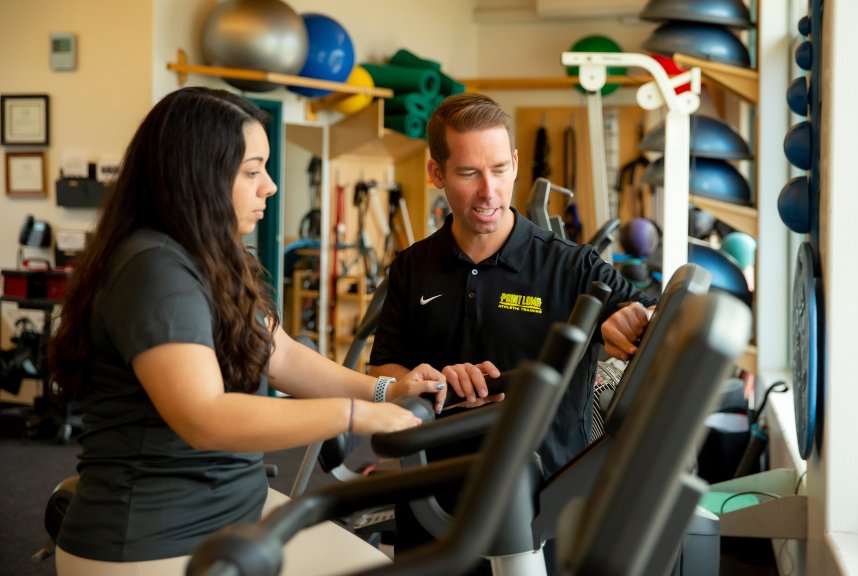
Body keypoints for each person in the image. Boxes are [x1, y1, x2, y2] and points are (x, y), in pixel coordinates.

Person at [47, 86, 446, 576]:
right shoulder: (155, 271)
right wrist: (353, 415)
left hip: (237, 513)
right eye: (253, 171)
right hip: (157, 541)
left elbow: (284, 358)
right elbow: (204, 415)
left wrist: (387, 391)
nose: (270, 186)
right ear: (200, 177)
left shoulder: (214, 259)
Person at [367, 93, 657, 569]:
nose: (489, 191)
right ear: (436, 173)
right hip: (435, 508)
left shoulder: (571, 266)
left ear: (517, 164)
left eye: (500, 169)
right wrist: (431, 379)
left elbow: (648, 312)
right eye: (468, 173)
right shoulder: (412, 268)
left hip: (543, 512)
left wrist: (634, 318)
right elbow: (384, 368)